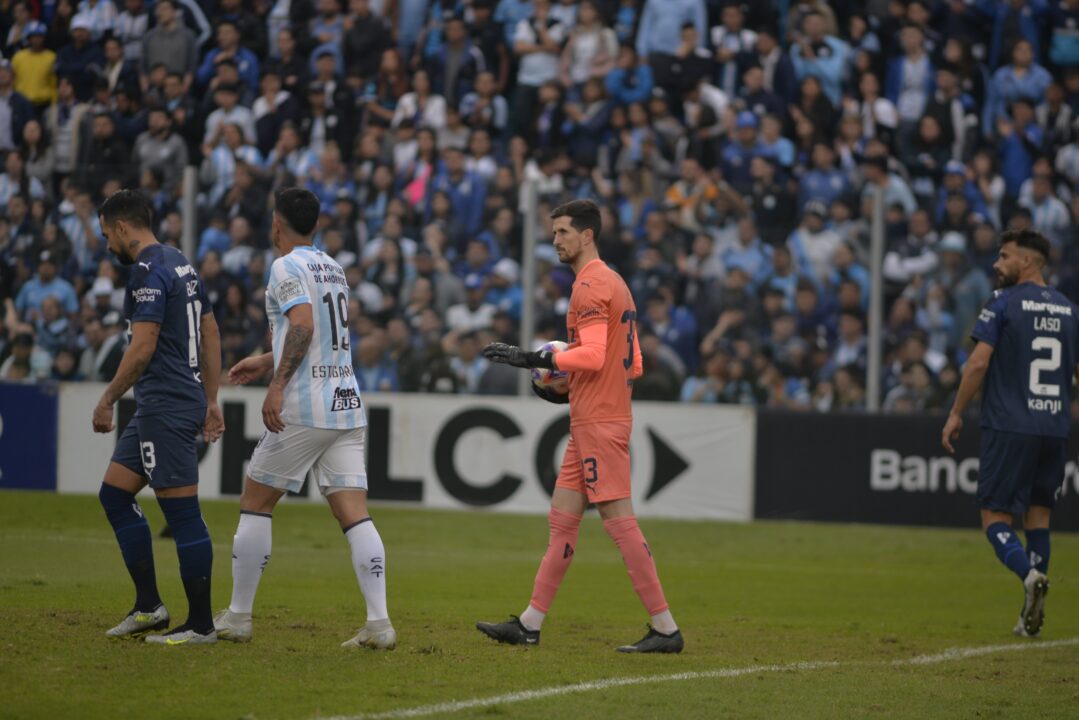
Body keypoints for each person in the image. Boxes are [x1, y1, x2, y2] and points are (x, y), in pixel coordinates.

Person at [476, 199, 683, 653]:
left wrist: (532, 359)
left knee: (619, 522)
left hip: (599, 424)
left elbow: (590, 356)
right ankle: (530, 622)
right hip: (594, 417)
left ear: (587, 234)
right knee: (562, 520)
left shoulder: (589, 286)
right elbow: (634, 363)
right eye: (553, 233)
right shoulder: (615, 282)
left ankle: (666, 628)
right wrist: (565, 388)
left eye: (564, 232)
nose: (556, 240)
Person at [212, 188, 395, 650]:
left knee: (255, 500)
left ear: (276, 224)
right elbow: (319, 335)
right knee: (354, 513)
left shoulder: (284, 265)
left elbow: (304, 325)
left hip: (305, 405)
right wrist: (264, 360)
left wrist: (276, 386)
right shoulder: (332, 266)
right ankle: (379, 623)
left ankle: (237, 616)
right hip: (346, 401)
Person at [91, 189, 224, 645]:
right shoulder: (180, 261)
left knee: (182, 514)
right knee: (113, 494)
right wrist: (211, 398)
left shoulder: (148, 271)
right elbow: (209, 329)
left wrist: (108, 398)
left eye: (107, 233)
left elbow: (143, 346)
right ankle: (149, 606)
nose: (107, 244)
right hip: (165, 403)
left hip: (166, 404)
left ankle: (202, 624)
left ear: (122, 227)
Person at [941, 229, 1079, 638]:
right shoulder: (1072, 311)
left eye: (1004, 257)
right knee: (1038, 517)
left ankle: (1028, 575)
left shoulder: (1003, 303)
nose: (996, 264)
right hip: (1054, 429)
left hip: (1009, 425)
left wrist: (955, 413)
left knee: (994, 517)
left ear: (1028, 262)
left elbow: (978, 365)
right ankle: (1028, 618)